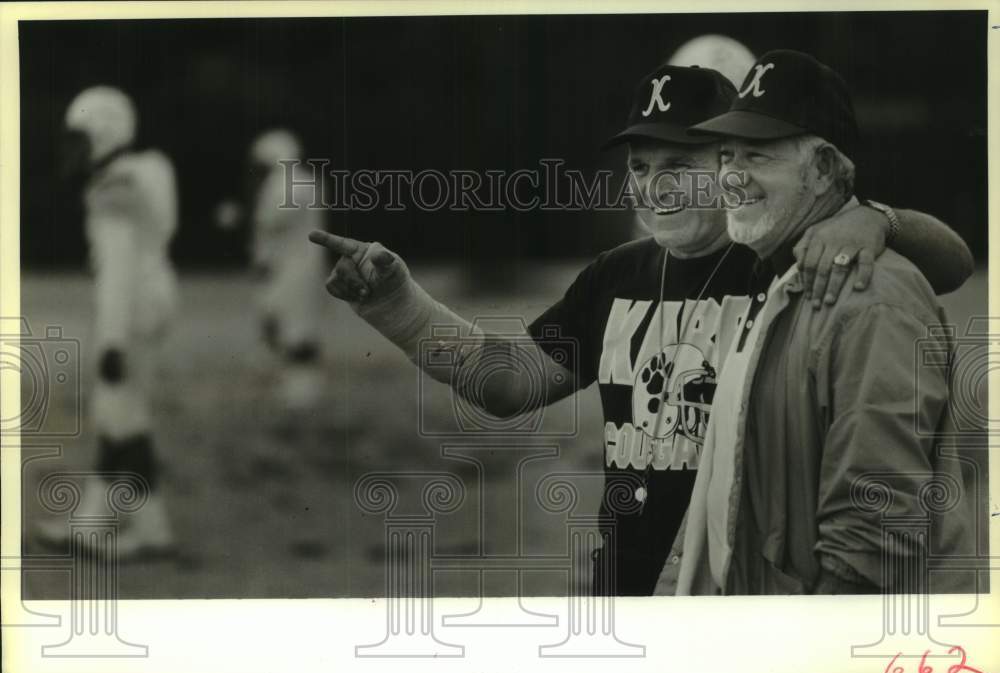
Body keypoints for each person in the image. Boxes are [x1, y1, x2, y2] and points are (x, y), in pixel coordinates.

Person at [309, 63, 973, 596]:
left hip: (743, 593)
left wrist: (875, 218)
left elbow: (947, 264)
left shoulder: (786, 258)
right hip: (627, 595)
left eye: (678, 166)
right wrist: (398, 304)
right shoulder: (616, 275)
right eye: (640, 168)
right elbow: (506, 384)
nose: (654, 189)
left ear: (725, 164)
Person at [668, 50, 974, 596]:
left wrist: (810, 649)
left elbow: (873, 535)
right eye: (726, 156)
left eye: (757, 157)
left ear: (826, 168)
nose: (731, 178)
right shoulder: (778, 267)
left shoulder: (870, 298)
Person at [38, 86, 178, 557]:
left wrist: (111, 340)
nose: (72, 150)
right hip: (152, 298)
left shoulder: (114, 184)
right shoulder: (145, 172)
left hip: (131, 310)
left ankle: (152, 530)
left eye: (80, 138)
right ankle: (92, 522)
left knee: (124, 416)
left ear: (103, 132)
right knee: (116, 412)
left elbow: (117, 269)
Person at [243, 129, 331, 411]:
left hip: (290, 266)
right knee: (292, 325)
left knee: (293, 328)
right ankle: (297, 386)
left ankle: (300, 392)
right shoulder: (307, 181)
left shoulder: (283, 184)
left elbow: (269, 224)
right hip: (306, 263)